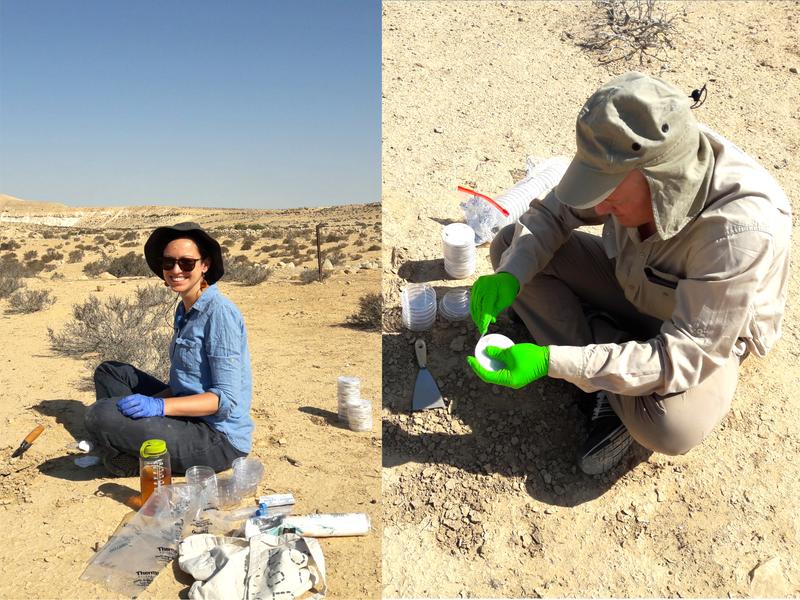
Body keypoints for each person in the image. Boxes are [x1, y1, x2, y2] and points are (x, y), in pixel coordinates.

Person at [467, 72, 791, 475]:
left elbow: (684, 356)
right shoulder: (621, 153)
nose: (599, 206)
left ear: (662, 180)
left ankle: (602, 364)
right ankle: (615, 371)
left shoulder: (737, 231)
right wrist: (511, 275)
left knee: (673, 426)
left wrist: (553, 361)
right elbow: (556, 211)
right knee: (509, 247)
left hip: (701, 328)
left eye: (610, 194)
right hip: (636, 281)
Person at [84, 222, 254, 475]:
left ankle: (124, 453)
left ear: (204, 265)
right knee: (111, 371)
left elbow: (223, 401)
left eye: (186, 263)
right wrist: (155, 400)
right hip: (185, 409)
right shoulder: (185, 307)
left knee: (100, 414)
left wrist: (159, 407)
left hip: (216, 438)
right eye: (168, 263)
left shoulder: (219, 313)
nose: (176, 270)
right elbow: (186, 382)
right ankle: (125, 442)